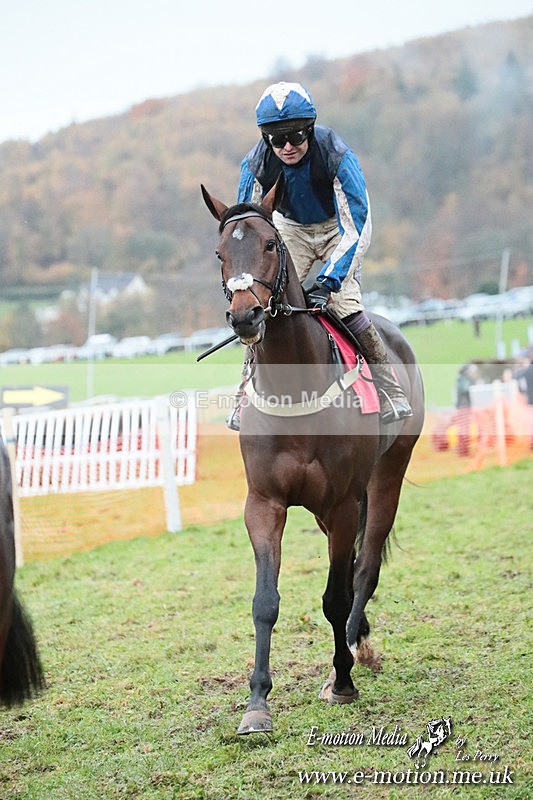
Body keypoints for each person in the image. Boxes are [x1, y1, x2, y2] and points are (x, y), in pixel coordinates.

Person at [228, 81, 412, 430]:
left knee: (344, 305)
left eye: (295, 136)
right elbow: (248, 226)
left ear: (309, 128)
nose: (286, 146)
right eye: (276, 138)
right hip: (290, 229)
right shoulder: (255, 164)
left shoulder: (336, 154)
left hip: (338, 228)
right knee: (260, 306)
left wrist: (328, 282)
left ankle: (389, 389)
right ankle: (243, 397)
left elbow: (356, 226)